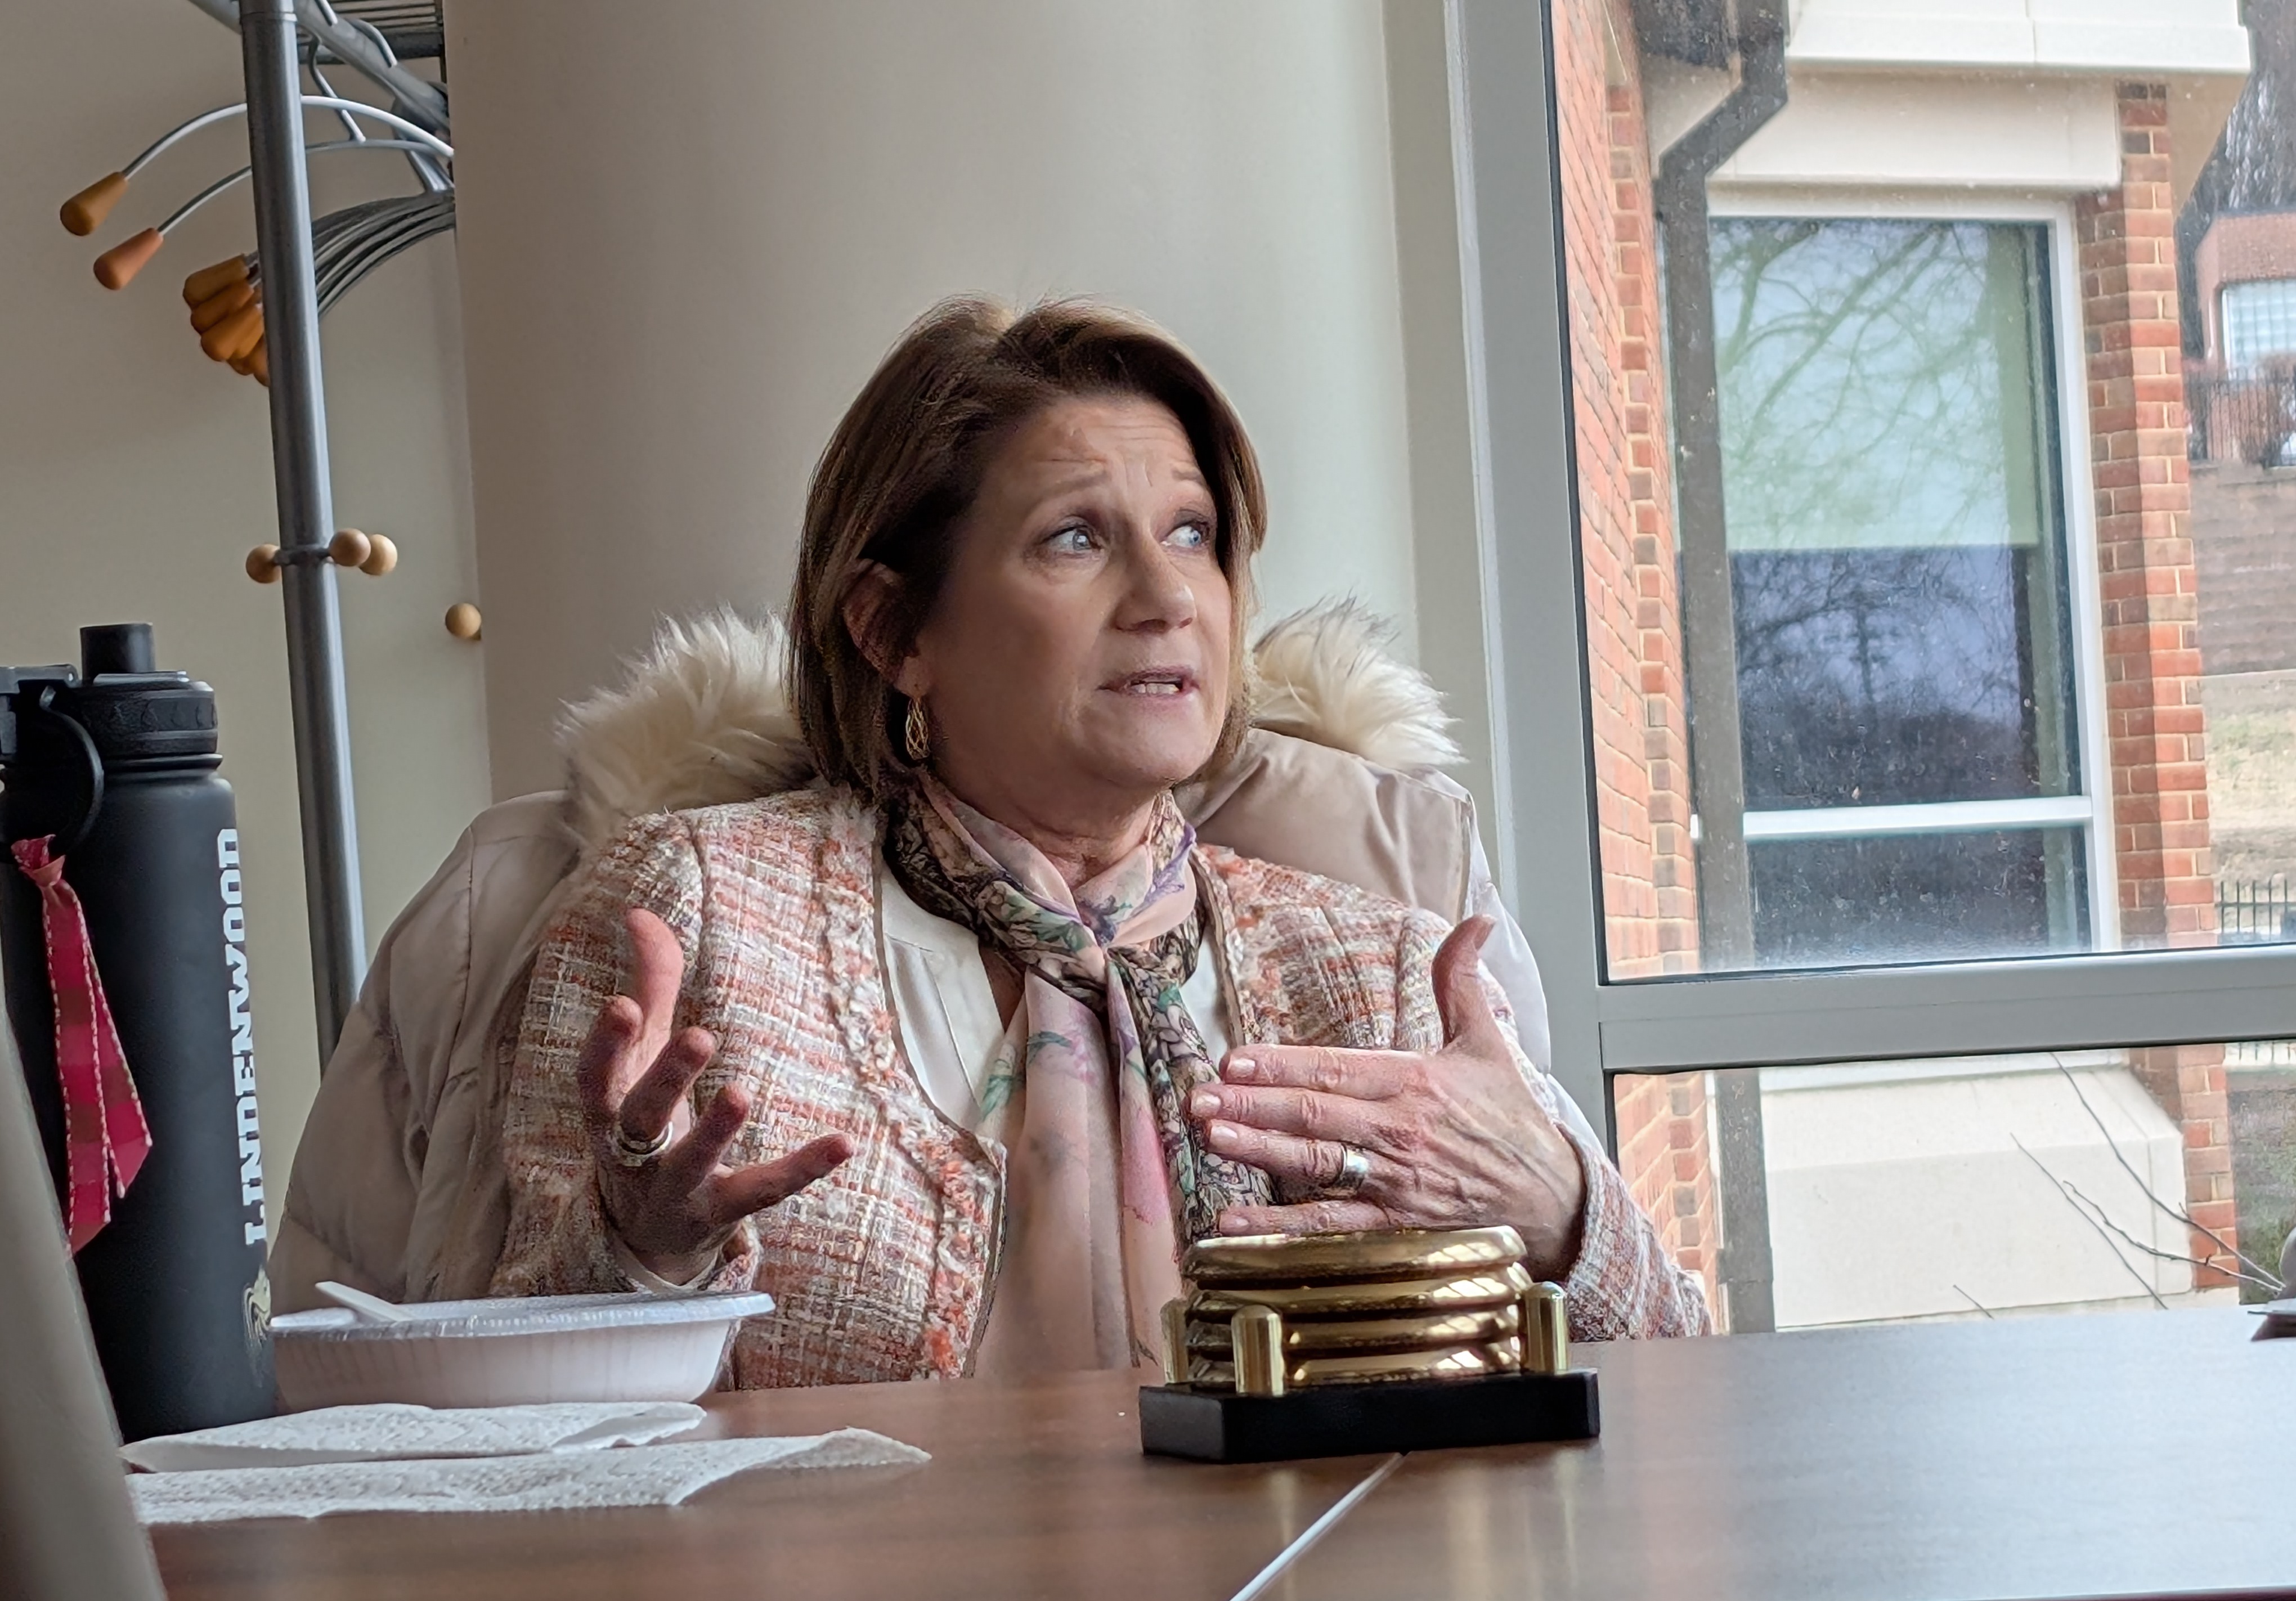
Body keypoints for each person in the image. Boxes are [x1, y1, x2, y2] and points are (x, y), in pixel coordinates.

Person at [490, 298, 1708, 1385]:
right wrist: (639, 1257)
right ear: (892, 630)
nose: (1169, 597)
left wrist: (1557, 1205)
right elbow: (520, 1422)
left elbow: (1683, 1391)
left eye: (1193, 534)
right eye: (1075, 537)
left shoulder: (1382, 966)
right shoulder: (699, 906)